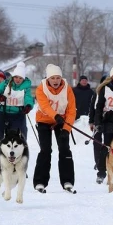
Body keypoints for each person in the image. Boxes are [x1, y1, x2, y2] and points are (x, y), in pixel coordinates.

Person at [33, 64, 77, 193]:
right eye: (53, 78)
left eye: (58, 78)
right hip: (44, 120)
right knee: (45, 150)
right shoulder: (41, 88)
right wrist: (55, 115)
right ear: (48, 79)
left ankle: (67, 181)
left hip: (62, 121)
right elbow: (45, 106)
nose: (56, 81)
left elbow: (71, 111)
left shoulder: (67, 89)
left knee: (64, 148)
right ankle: (40, 181)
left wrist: (66, 129)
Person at [0, 62, 34, 141]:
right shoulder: (6, 84)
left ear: (23, 78)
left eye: (20, 78)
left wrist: (28, 105)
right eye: (16, 77)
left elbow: (28, 98)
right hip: (3, 113)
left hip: (18, 114)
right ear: (13, 77)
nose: (18, 80)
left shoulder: (26, 87)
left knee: (17, 137)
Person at [88, 75, 107, 173]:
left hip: (110, 120)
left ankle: (108, 162)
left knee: (108, 143)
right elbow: (92, 108)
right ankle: (98, 162)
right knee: (97, 143)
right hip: (97, 120)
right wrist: (91, 121)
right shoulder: (97, 92)